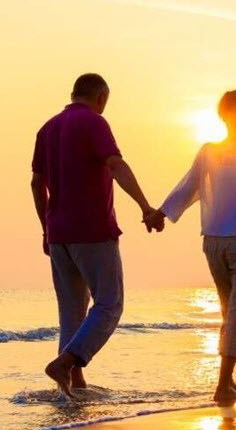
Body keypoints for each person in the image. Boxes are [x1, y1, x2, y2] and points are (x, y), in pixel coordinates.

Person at [145, 90, 236, 406]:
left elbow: (188, 187)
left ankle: (227, 380)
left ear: (221, 116)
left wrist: (161, 213)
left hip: (214, 243)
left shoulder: (208, 152)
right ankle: (223, 384)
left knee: (231, 310)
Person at [30, 73, 164, 399]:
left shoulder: (47, 128)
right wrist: (145, 206)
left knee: (72, 312)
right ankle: (66, 363)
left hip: (59, 234)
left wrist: (46, 228)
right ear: (101, 97)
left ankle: (74, 386)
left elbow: (36, 183)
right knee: (109, 304)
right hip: (92, 230)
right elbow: (115, 164)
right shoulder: (94, 123)